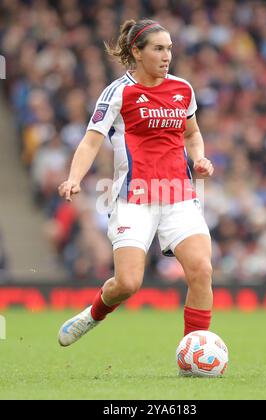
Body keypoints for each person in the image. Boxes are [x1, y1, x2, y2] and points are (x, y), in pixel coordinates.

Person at [57, 19, 214, 347]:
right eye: (158, 48)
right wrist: (74, 179)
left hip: (179, 196)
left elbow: (193, 133)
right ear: (137, 52)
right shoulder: (119, 92)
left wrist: (199, 157)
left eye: (169, 48)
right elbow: (91, 140)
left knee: (201, 269)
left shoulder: (183, 89)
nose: (167, 55)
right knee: (128, 283)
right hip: (134, 199)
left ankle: (193, 354)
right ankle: (93, 314)